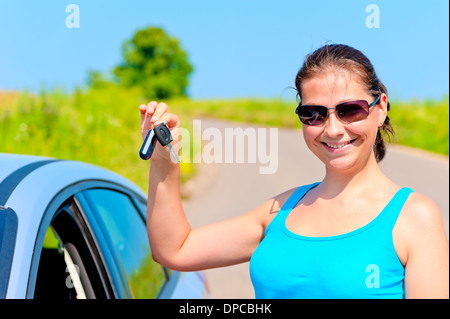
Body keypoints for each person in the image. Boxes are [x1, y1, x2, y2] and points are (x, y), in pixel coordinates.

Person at [139, 44, 449, 299]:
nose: (332, 129)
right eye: (313, 114)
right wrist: (164, 160)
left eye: (350, 110)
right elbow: (175, 249)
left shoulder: (414, 217)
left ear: (380, 108)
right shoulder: (279, 212)